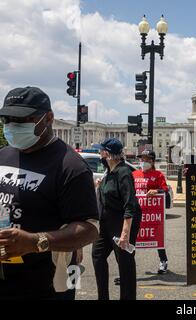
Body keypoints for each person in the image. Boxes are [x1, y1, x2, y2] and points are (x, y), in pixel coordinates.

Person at [0, 87, 99, 300]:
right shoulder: (3, 156)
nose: (12, 126)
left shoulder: (71, 166)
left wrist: (36, 241)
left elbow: (89, 229)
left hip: (46, 284)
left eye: (22, 120)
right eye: (6, 119)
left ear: (48, 119)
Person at [92, 138, 142, 300]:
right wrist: (100, 185)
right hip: (106, 222)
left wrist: (125, 234)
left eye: (101, 151)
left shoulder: (124, 173)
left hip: (122, 222)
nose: (99, 153)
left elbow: (130, 205)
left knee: (125, 262)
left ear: (107, 153)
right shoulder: (109, 170)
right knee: (97, 256)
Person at [133, 149, 170, 274]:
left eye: (146, 159)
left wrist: (156, 191)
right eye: (141, 158)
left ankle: (163, 261)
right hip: (136, 212)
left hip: (152, 214)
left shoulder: (158, 175)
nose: (143, 161)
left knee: (158, 237)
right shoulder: (134, 174)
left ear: (152, 161)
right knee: (133, 238)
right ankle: (128, 265)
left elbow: (165, 189)